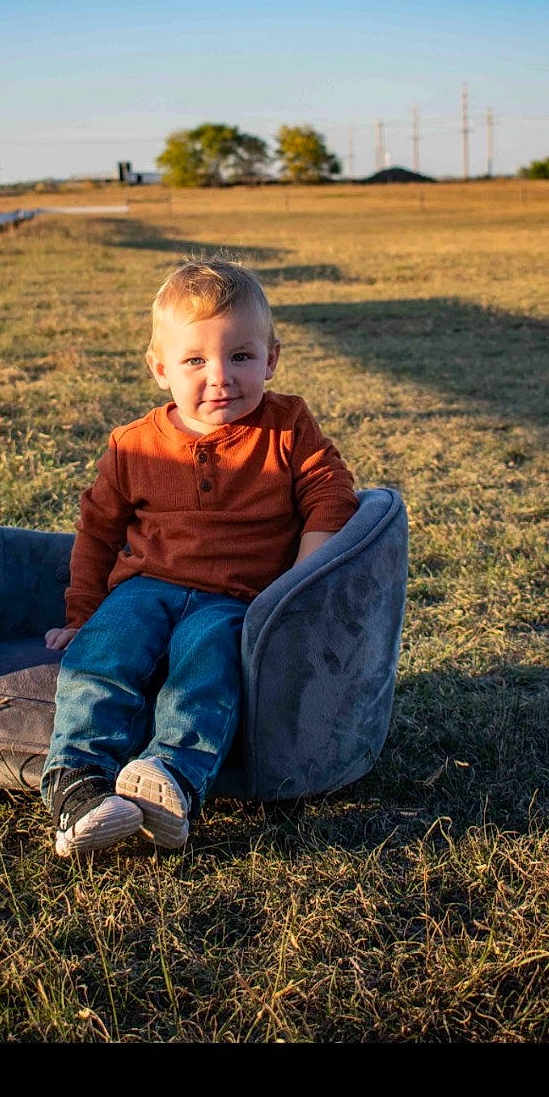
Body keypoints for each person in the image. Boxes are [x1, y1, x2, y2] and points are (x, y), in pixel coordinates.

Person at [41, 257, 359, 859]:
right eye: (195, 361)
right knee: (104, 652)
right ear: (160, 368)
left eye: (240, 356)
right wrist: (82, 613)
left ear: (271, 359)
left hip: (236, 598)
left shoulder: (287, 427)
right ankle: (77, 782)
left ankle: (172, 778)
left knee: (209, 663)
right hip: (145, 586)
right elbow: (98, 533)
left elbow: (331, 493)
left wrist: (300, 585)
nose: (220, 378)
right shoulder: (134, 445)